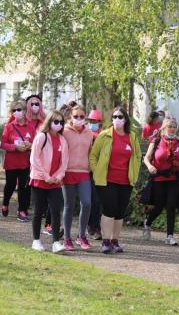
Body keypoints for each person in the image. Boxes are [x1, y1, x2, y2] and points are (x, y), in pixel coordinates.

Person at [89, 107, 141, 254]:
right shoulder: (104, 135)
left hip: (126, 181)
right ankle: (105, 241)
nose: (117, 119)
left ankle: (115, 241)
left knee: (119, 212)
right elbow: (93, 156)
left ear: (126, 119)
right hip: (107, 180)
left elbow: (137, 156)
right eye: (114, 116)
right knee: (109, 209)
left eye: (120, 116)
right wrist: (96, 170)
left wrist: (134, 173)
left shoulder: (132, 137)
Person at [142, 116, 179, 245]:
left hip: (174, 178)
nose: (172, 129)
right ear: (164, 127)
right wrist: (150, 166)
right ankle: (148, 223)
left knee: (171, 205)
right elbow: (146, 158)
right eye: (170, 126)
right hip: (159, 177)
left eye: (174, 126)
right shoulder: (156, 140)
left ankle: (170, 236)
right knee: (159, 206)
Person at [30, 110, 69, 253]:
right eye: (55, 121)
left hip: (55, 182)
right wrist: (46, 176)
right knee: (38, 211)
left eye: (61, 122)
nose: (58, 125)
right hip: (40, 179)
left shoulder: (62, 140)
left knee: (55, 211)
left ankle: (56, 242)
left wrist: (58, 176)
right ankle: (36, 240)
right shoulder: (41, 137)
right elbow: (34, 159)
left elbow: (64, 162)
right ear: (49, 121)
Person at [62, 105, 94, 250]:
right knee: (69, 205)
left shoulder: (89, 133)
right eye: (76, 116)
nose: (79, 119)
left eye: (82, 117)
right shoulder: (64, 131)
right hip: (68, 172)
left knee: (87, 203)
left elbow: (92, 152)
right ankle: (66, 238)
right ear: (70, 117)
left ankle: (81, 236)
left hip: (84, 172)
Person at [0, 100, 35, 222]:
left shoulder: (30, 127)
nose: (16, 112)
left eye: (19, 109)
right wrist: (15, 147)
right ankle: (5, 203)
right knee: (10, 186)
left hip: (25, 163)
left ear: (25, 111)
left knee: (23, 188)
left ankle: (22, 210)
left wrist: (29, 145)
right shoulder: (9, 127)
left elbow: (36, 144)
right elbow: (3, 144)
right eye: (14, 110)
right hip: (11, 164)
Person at [87, 109, 104, 239]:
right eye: (91, 121)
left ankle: (96, 227)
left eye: (95, 121)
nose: (92, 123)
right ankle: (91, 226)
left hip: (100, 171)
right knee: (89, 201)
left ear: (100, 123)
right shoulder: (86, 134)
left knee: (98, 201)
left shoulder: (104, 136)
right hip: (86, 171)